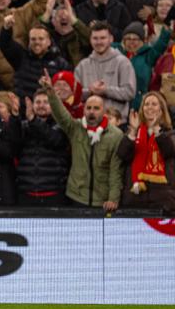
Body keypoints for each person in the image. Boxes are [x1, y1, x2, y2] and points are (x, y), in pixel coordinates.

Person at [40, 69, 124, 211]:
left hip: (102, 200)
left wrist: (113, 198)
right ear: (84, 110)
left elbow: (116, 171)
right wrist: (51, 93)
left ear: (104, 111)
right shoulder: (76, 127)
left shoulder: (116, 135)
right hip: (76, 196)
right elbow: (61, 115)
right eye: (89, 108)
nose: (92, 111)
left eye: (96, 108)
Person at [117, 92, 175, 212]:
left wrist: (156, 130)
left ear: (162, 109)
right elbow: (122, 155)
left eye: (154, 104)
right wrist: (133, 131)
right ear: (142, 109)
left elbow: (169, 152)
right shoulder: (134, 133)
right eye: (146, 104)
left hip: (162, 199)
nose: (150, 107)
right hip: (134, 197)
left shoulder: (170, 134)